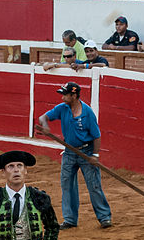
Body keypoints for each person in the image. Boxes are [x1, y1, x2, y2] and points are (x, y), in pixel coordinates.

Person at [38, 82, 112, 230]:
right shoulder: (62, 108)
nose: (63, 97)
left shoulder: (87, 113)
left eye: (65, 94)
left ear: (74, 96)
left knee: (94, 185)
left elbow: (96, 136)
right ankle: (70, 219)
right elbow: (42, 117)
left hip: (86, 151)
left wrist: (95, 155)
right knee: (67, 185)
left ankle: (104, 217)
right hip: (69, 152)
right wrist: (45, 126)